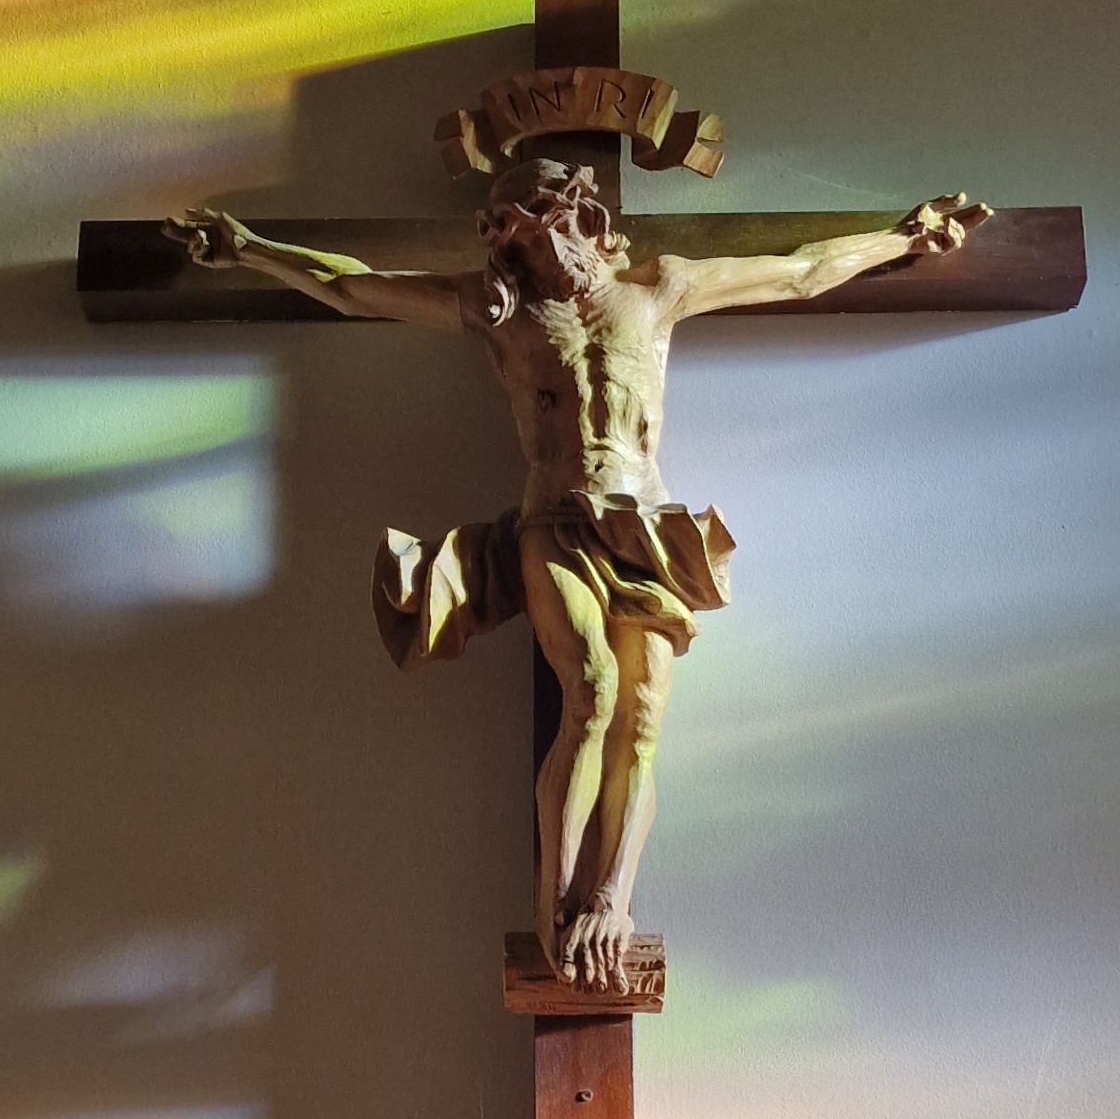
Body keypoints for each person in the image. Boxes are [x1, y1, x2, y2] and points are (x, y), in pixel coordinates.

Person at [173, 164, 989, 993]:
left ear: (587, 220)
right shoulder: (502, 314)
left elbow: (802, 271)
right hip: (555, 522)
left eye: (551, 229)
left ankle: (609, 902)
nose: (543, 252)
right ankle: (553, 907)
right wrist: (251, 248)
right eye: (522, 241)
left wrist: (903, 239)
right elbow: (355, 288)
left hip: (647, 528)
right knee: (594, 688)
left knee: (642, 718)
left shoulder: (659, 290)